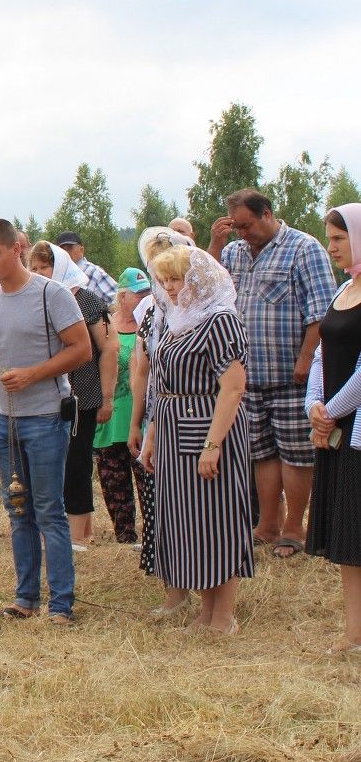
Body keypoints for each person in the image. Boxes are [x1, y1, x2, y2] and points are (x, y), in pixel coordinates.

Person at [0, 219, 91, 625]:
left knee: (49, 510)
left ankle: (62, 604)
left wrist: (34, 374)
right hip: (5, 418)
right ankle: (26, 598)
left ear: (17, 249)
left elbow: (82, 349)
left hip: (46, 416)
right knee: (17, 508)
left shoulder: (51, 294)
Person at [212, 188, 333, 557]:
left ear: (267, 213)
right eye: (236, 227)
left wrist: (306, 360)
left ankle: (294, 529)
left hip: (291, 376)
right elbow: (207, 291)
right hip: (247, 378)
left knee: (296, 454)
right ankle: (267, 525)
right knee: (261, 453)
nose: (242, 233)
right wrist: (216, 244)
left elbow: (321, 312)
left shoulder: (304, 248)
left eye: (247, 225)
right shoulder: (232, 252)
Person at [146, 245, 254, 635]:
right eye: (164, 281)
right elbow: (164, 385)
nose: (170, 288)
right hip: (175, 429)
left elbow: (233, 387)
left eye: (176, 279)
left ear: (198, 280)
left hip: (208, 427)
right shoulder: (180, 320)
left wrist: (213, 444)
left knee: (217, 519)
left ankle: (223, 617)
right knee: (191, 522)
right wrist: (153, 436)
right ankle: (206, 614)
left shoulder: (220, 320)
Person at [28, 242, 117, 551]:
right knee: (60, 463)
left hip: (82, 396)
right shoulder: (42, 300)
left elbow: (109, 348)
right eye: (34, 268)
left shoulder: (86, 299)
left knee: (76, 464)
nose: (40, 273)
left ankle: (76, 536)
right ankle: (83, 529)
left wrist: (107, 397)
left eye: (45, 267)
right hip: (51, 396)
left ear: (61, 267)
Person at [129, 226, 198, 616]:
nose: (167, 281)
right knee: (160, 504)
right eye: (158, 270)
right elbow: (142, 369)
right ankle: (174, 592)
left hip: (193, 414)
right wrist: (137, 422)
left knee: (192, 507)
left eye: (173, 271)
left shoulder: (206, 311)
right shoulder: (153, 312)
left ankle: (208, 591)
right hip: (158, 414)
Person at [304, 204, 361, 655]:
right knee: (349, 537)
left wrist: (331, 412)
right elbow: (321, 356)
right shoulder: (343, 290)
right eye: (329, 238)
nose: (331, 246)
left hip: (353, 427)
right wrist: (314, 408)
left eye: (339, 238)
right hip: (338, 429)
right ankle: (354, 633)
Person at [93, 267, 153, 545]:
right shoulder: (104, 325)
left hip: (141, 417)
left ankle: (153, 534)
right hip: (111, 418)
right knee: (113, 478)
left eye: (147, 293)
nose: (144, 298)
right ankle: (124, 535)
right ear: (123, 296)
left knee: (147, 479)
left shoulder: (151, 325)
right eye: (138, 294)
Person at [55, 231, 119, 306]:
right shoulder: (56, 276)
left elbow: (118, 302)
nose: (66, 252)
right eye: (62, 249)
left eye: (70, 248)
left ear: (81, 250)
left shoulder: (95, 273)